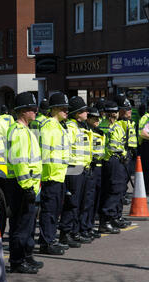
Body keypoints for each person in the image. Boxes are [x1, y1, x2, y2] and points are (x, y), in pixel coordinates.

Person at [5, 91, 42, 274]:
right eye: (31, 109)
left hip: (27, 185)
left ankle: (27, 257)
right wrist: (27, 187)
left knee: (27, 225)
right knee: (20, 226)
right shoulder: (19, 132)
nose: (35, 112)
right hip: (21, 186)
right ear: (22, 112)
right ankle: (18, 261)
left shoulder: (25, 130)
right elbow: (20, 162)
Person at [38, 92, 71, 255]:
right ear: (55, 109)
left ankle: (49, 239)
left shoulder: (58, 126)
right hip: (50, 176)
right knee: (49, 211)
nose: (67, 111)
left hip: (58, 175)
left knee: (54, 211)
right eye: (64, 108)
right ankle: (47, 242)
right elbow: (43, 154)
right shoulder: (49, 126)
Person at [59, 96, 92, 248]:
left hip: (82, 168)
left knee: (80, 203)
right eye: (84, 110)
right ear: (77, 113)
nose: (87, 113)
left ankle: (75, 231)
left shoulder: (80, 127)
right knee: (72, 203)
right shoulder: (70, 128)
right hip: (73, 169)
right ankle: (66, 233)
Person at [98, 100, 126, 234]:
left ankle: (111, 217)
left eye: (115, 112)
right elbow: (111, 146)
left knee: (114, 190)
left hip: (114, 160)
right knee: (114, 190)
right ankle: (106, 221)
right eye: (112, 112)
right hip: (111, 160)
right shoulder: (107, 126)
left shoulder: (113, 125)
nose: (114, 115)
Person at [82, 105, 105, 239]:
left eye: (98, 118)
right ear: (88, 119)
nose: (97, 120)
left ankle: (90, 226)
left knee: (95, 199)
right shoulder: (87, 131)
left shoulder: (98, 131)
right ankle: (84, 227)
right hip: (90, 167)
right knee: (87, 200)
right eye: (94, 118)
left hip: (98, 167)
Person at [116, 95, 137, 205]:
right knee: (120, 180)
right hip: (121, 156)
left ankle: (122, 196)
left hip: (129, 154)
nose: (130, 111)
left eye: (130, 108)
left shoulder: (129, 122)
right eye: (127, 109)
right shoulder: (119, 123)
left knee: (126, 179)